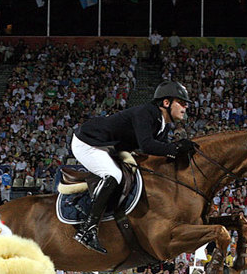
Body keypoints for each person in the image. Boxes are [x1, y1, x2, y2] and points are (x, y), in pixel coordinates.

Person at [70, 81, 194, 253]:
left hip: (107, 146)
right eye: (181, 102)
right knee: (114, 175)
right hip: (88, 142)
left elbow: (159, 151)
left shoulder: (162, 124)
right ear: (166, 103)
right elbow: (147, 146)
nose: (185, 107)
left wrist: (179, 150)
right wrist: (175, 148)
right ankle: (87, 229)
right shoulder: (147, 113)